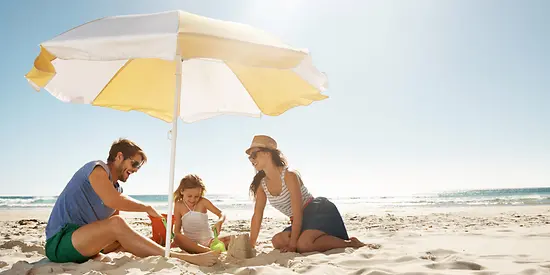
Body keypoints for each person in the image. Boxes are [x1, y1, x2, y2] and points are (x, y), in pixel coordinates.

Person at [44, 138, 220, 266]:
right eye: (134, 164)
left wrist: (147, 242)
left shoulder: (118, 189)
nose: (135, 170)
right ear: (119, 156)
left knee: (122, 234)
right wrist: (146, 207)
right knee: (117, 223)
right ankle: (180, 257)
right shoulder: (97, 169)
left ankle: (169, 252)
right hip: (60, 242)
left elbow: (113, 238)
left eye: (139, 167)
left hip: (84, 247)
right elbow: (113, 200)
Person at [246, 135, 374, 253]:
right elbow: (257, 215)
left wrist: (293, 244)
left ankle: (350, 243)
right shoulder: (262, 185)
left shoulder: (289, 176)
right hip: (299, 219)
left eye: (254, 155)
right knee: (277, 241)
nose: (251, 159)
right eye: (249, 157)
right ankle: (315, 238)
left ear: (267, 153)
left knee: (303, 245)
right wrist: (251, 245)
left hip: (318, 210)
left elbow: (297, 212)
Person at [172, 174, 231, 253]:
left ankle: (207, 250)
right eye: (189, 196)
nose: (193, 199)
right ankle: (208, 251)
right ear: (182, 191)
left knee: (235, 238)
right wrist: (178, 240)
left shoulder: (203, 202)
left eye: (196, 196)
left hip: (209, 242)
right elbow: (177, 231)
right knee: (177, 238)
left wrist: (220, 221)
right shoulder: (179, 205)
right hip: (190, 244)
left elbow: (221, 213)